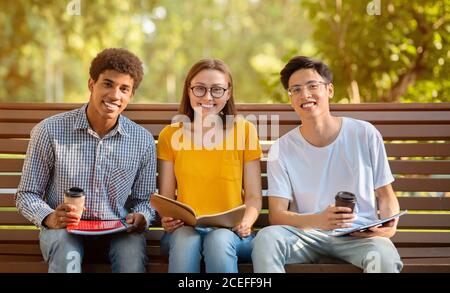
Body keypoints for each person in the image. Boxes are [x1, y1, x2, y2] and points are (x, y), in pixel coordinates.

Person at [252, 56, 403, 273]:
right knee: (266, 239)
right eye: (296, 89)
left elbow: (386, 195)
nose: (305, 94)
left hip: (358, 237)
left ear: (329, 90)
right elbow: (277, 215)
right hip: (305, 236)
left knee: (384, 258)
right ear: (291, 99)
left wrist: (389, 226)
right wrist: (319, 220)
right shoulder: (282, 148)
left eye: (312, 86)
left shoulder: (364, 133)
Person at [15, 48, 156, 273]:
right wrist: (49, 217)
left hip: (118, 232)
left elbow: (145, 200)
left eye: (124, 89)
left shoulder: (143, 141)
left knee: (131, 253)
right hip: (65, 232)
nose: (114, 95)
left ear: (131, 95)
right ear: (92, 84)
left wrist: (142, 217)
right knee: (65, 251)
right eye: (107, 84)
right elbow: (27, 194)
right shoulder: (50, 131)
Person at [156, 58, 262, 273]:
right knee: (187, 239)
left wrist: (246, 222)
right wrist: (167, 219)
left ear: (228, 93)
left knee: (219, 239)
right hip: (185, 232)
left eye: (217, 90)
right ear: (189, 91)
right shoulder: (171, 135)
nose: (207, 97)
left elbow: (253, 197)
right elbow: (167, 199)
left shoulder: (245, 130)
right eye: (200, 89)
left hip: (231, 233)